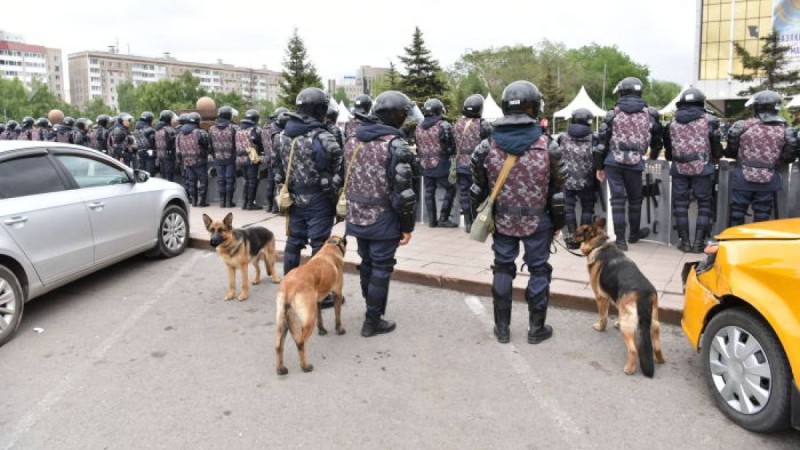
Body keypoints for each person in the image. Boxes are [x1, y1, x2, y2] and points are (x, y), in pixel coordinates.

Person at [470, 80, 566, 345]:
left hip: (502, 219)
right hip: (538, 219)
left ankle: (502, 328)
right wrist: (558, 222)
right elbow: (559, 187)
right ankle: (536, 329)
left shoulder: (486, 146)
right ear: (533, 107)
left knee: (502, 268)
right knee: (538, 270)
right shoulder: (548, 145)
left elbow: (477, 186)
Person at [343, 90, 417, 337]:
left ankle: (371, 309)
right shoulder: (396, 145)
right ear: (396, 116)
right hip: (382, 217)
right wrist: (407, 226)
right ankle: (372, 320)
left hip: (356, 213)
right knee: (382, 267)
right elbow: (404, 192)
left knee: (367, 263)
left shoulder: (353, 139)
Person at [273, 87, 342, 278]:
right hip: (318, 198)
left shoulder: (281, 136)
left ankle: (289, 284)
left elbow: (276, 169)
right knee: (319, 244)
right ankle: (320, 292)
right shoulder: (323, 136)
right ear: (319, 109)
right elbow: (337, 163)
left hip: (293, 197)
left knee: (294, 241)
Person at [594, 76, 663, 251]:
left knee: (617, 201)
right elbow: (657, 138)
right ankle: (633, 235)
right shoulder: (650, 114)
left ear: (622, 92)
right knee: (635, 200)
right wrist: (654, 155)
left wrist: (599, 166)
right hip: (635, 162)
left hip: (613, 162)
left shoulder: (612, 113)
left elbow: (602, 142)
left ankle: (620, 241)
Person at [662, 88, 724, 252]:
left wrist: (673, 157)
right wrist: (716, 157)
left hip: (679, 169)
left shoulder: (672, 122)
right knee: (704, 205)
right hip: (703, 169)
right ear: (701, 102)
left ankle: (685, 242)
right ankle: (698, 243)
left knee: (680, 205)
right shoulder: (710, 121)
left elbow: (668, 147)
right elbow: (716, 145)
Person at [725, 90, 798, 226]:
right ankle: (757, 245)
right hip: (769, 177)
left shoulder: (742, 125)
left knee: (737, 212)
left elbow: (730, 151)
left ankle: (734, 242)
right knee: (763, 214)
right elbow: (789, 156)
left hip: (743, 176)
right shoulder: (786, 129)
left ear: (757, 107)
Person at [558, 108, 598, 242]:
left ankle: (572, 236)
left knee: (568, 209)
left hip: (566, 179)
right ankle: (584, 237)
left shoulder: (562, 137)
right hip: (586, 179)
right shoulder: (593, 137)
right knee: (587, 208)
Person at [416, 98, 458, 228]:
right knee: (451, 189)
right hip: (441, 164)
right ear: (439, 110)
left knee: (429, 191)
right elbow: (450, 147)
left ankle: (432, 221)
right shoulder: (443, 125)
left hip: (425, 164)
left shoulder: (418, 127)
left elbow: (418, 147)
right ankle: (443, 218)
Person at [453, 94, 492, 233]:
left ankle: (468, 223)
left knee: (464, 193)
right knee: (481, 194)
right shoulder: (483, 124)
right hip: (479, 167)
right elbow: (491, 144)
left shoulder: (457, 124)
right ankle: (479, 223)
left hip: (461, 166)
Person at [176, 112, 211, 207]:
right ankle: (202, 201)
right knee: (203, 181)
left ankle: (194, 201)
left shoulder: (180, 134)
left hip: (186, 161)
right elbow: (207, 145)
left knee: (191, 182)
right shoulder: (200, 132)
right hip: (200, 160)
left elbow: (178, 150)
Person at [209, 106, 239, 208]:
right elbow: (237, 143)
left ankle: (222, 202)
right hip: (230, 157)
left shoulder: (212, 128)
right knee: (230, 179)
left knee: (220, 180)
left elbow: (210, 145)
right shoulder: (233, 128)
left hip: (218, 157)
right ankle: (228, 202)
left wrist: (214, 155)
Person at [260, 107, 288, 213]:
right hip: (277, 161)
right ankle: (277, 207)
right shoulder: (279, 130)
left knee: (270, 183)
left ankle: (270, 206)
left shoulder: (265, 128)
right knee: (279, 184)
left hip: (268, 159)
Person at [235, 109, 264, 210]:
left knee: (246, 180)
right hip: (251, 159)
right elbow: (261, 144)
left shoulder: (238, 130)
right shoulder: (256, 130)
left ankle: (244, 203)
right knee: (252, 181)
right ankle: (250, 204)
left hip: (240, 159)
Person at [155, 110, 178, 182]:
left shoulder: (158, 129)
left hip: (160, 156)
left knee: (163, 176)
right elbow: (174, 142)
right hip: (169, 156)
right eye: (171, 119)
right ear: (168, 119)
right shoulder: (169, 129)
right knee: (169, 176)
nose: (173, 120)